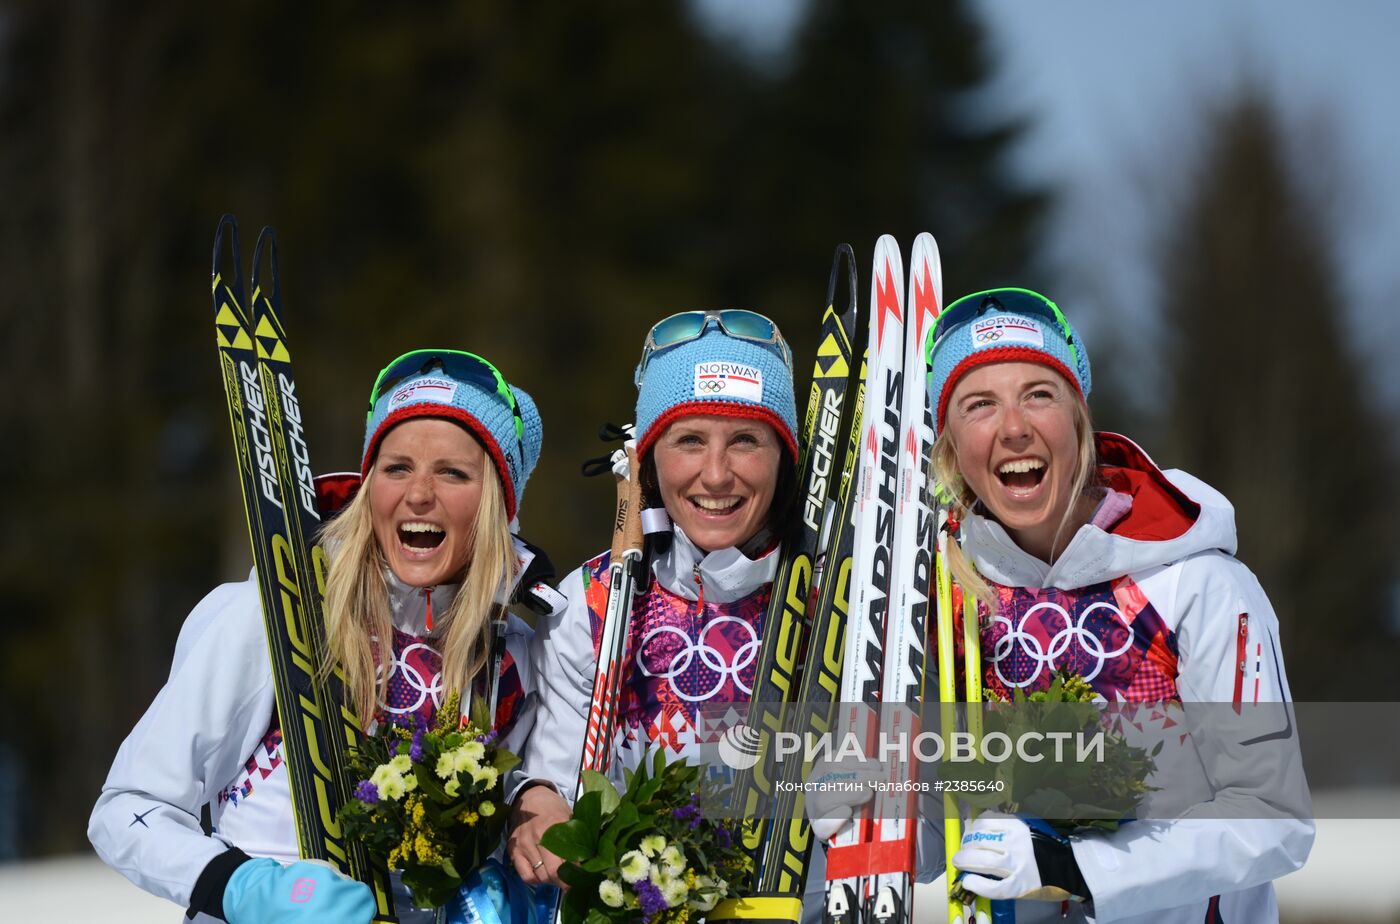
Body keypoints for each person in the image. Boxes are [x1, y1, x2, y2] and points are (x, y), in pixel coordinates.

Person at [810, 288, 1313, 922]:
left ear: (1079, 419)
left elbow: (1273, 819)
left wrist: (1077, 868)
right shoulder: (952, 601)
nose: (1014, 427)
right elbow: (944, 839)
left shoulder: (1193, 583)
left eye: (1038, 395)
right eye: (979, 404)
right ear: (952, 447)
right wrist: (864, 815)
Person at [89, 349, 545, 924]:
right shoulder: (271, 616)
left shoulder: (514, 660)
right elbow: (128, 810)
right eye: (396, 467)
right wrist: (245, 888)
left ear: (498, 508)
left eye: (453, 473)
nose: (419, 494)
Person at [505, 310, 802, 892]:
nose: (715, 475)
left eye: (745, 440)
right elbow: (553, 773)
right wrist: (537, 804)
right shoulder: (588, 602)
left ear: (783, 455)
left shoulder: (837, 598)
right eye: (689, 440)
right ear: (645, 458)